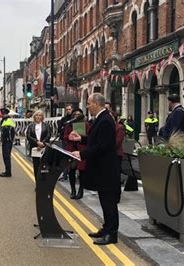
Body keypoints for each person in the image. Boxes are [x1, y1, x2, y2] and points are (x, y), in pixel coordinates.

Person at [70, 93, 121, 245]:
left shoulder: (105, 120)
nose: (87, 106)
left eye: (89, 103)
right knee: (104, 201)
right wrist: (82, 139)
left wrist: (82, 153)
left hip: (107, 169)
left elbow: (103, 146)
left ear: (96, 104)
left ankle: (112, 234)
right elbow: (96, 140)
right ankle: (106, 229)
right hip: (102, 169)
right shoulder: (101, 118)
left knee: (109, 202)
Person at [63, 108, 88, 199]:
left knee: (82, 172)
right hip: (71, 150)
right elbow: (65, 137)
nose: (76, 116)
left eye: (78, 114)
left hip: (82, 150)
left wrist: (81, 137)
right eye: (75, 114)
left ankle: (81, 191)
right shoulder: (69, 125)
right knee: (71, 170)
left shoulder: (86, 124)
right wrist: (70, 137)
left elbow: (89, 137)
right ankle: (73, 190)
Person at [26, 110, 51, 184]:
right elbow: (28, 136)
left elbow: (48, 135)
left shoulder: (46, 125)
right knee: (36, 167)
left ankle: (44, 183)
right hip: (35, 148)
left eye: (40, 115)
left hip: (44, 148)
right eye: (37, 115)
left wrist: (42, 143)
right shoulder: (31, 126)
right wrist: (37, 142)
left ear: (42, 117)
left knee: (44, 167)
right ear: (34, 117)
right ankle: (38, 184)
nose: (38, 117)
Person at [58, 104, 73, 181]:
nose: (68, 111)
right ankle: (64, 175)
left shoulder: (74, 119)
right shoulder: (63, 119)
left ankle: (71, 174)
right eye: (67, 109)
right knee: (64, 158)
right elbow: (60, 129)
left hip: (73, 142)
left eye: (69, 109)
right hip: (64, 140)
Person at [0, 109, 15, 177]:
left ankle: (8, 172)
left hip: (7, 141)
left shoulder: (8, 120)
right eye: (2, 114)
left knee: (6, 157)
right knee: (5, 156)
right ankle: (7, 171)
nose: (3, 115)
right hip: (5, 141)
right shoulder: (4, 120)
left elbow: (8, 132)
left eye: (4, 114)